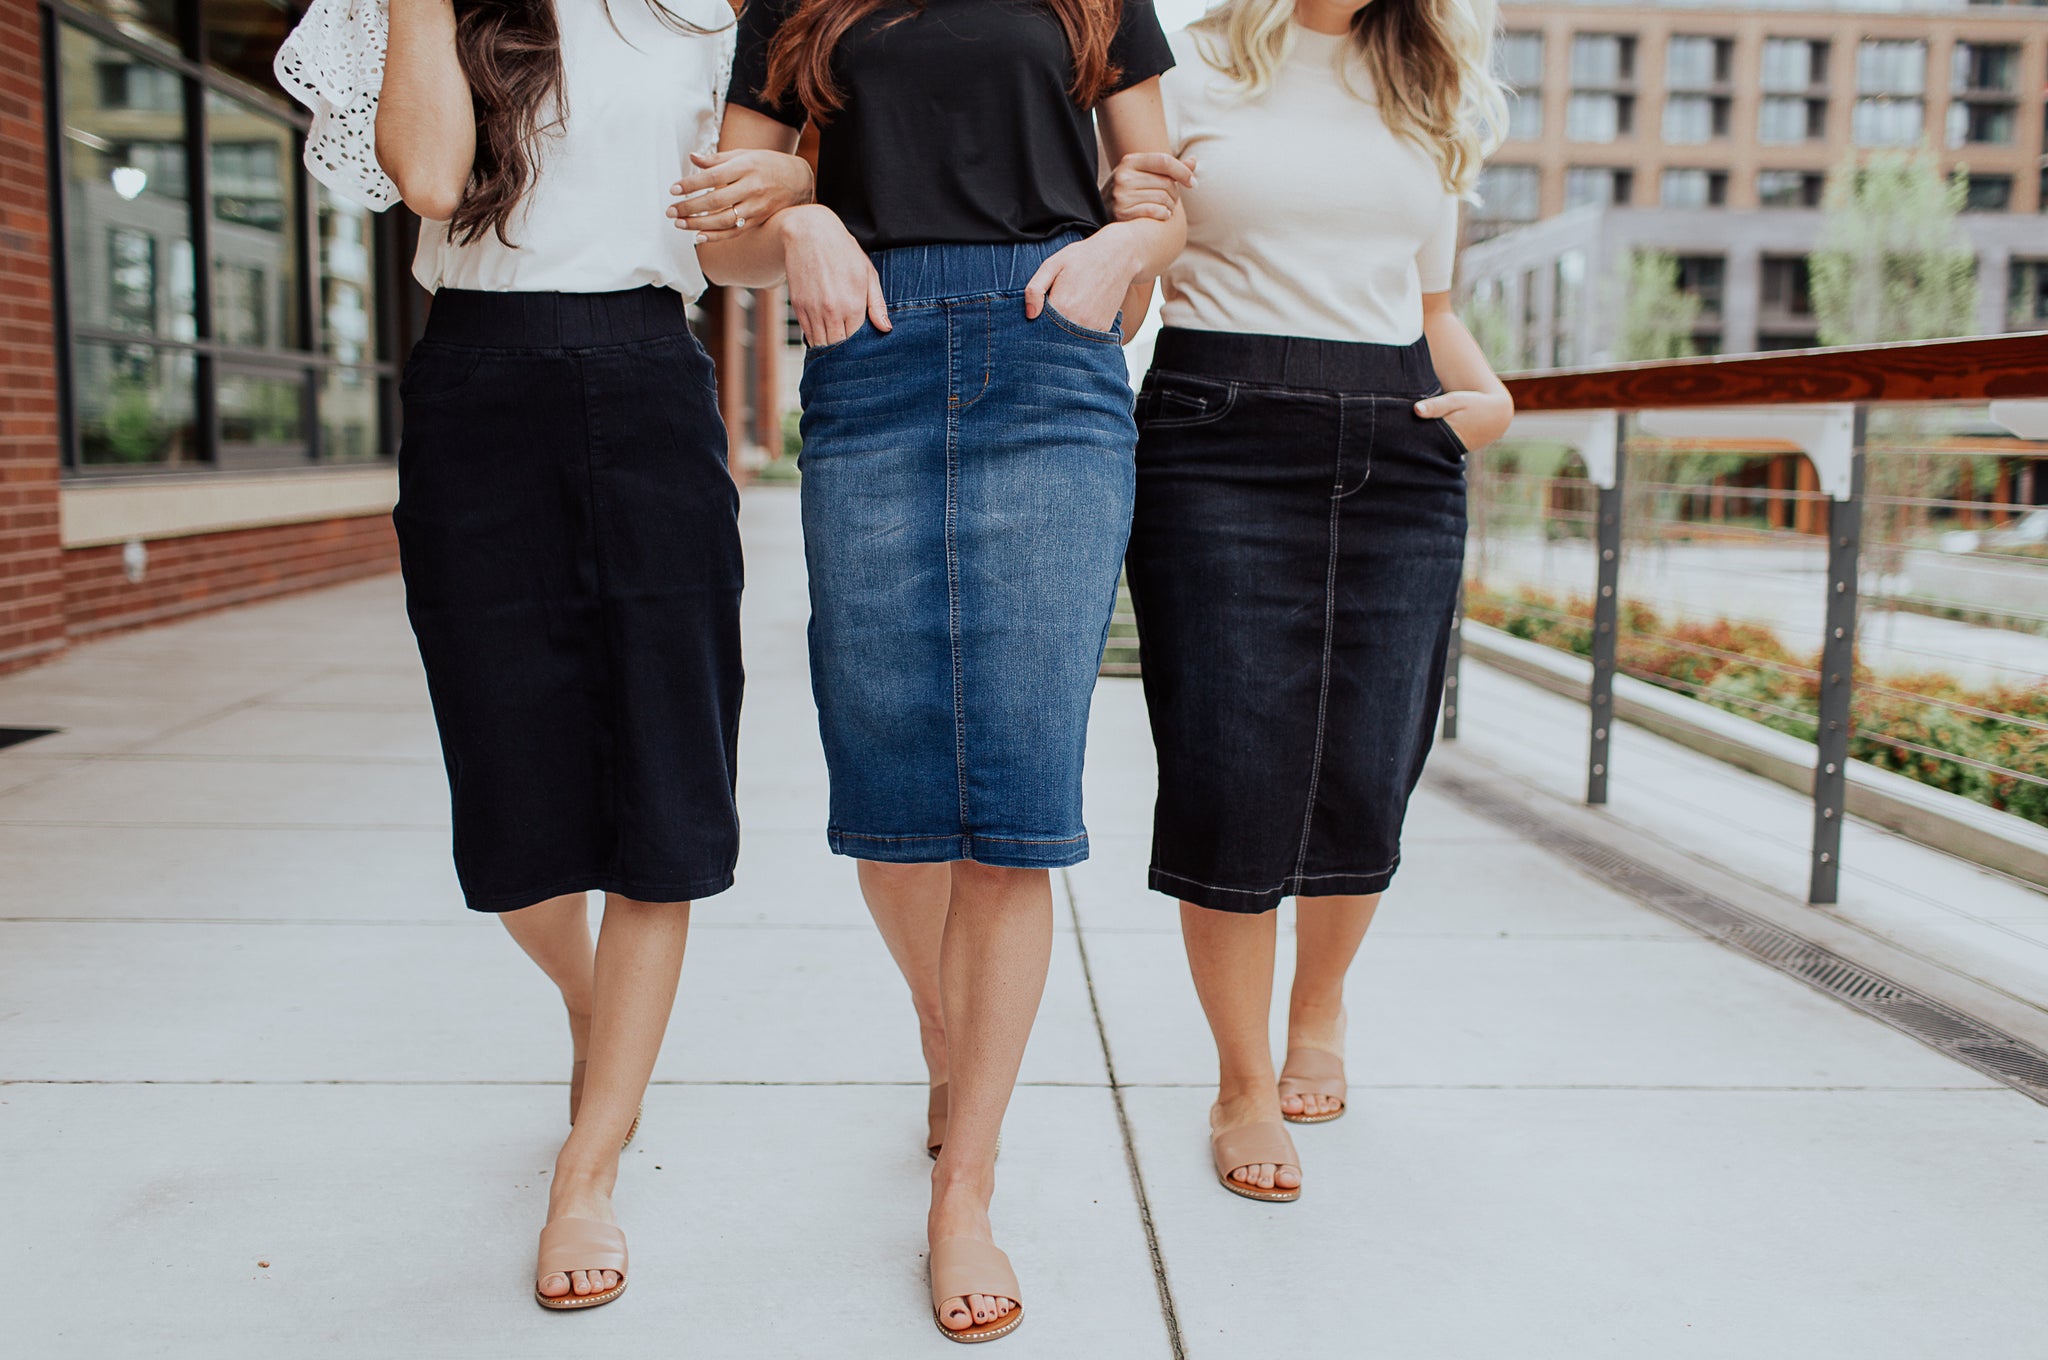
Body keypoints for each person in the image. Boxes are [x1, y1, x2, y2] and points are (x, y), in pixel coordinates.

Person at [274, 0, 812, 1310]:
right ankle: (594, 1012)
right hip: (477, 387)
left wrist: (795, 183)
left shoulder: (715, 18)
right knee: (511, 808)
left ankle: (587, 1166)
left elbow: (734, 258)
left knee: (665, 785)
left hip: (646, 373)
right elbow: (432, 178)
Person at [686, 0, 1184, 1340]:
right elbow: (719, 227)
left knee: (1015, 790)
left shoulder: (1094, 0)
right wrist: (799, 219)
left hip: (1054, 367)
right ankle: (943, 1025)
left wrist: (1126, 248)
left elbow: (1167, 194)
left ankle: (965, 1192)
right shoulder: (791, 6)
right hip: (872, 365)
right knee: (891, 767)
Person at [1106, 0, 1513, 1203]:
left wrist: (1486, 403)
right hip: (1218, 426)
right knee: (1229, 765)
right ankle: (1239, 1081)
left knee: (1369, 755)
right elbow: (1137, 274)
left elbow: (1431, 312)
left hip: (1402, 439)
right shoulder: (1181, 67)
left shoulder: (1425, 83)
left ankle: (1317, 1009)